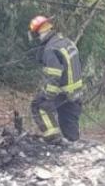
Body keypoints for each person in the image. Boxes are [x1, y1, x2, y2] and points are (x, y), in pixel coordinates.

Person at [27, 15, 84, 144]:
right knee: (68, 121)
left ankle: (53, 138)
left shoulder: (50, 49)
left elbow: (54, 74)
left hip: (63, 91)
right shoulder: (66, 42)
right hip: (76, 91)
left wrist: (48, 95)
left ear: (38, 34)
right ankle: (73, 145)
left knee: (38, 105)